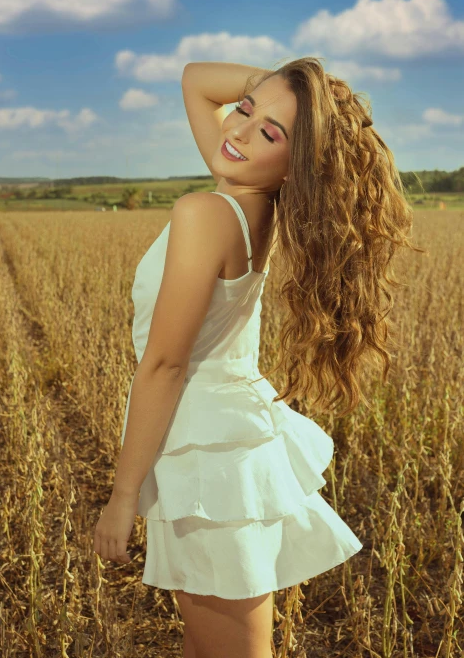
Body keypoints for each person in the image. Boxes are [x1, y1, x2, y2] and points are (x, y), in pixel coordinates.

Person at [94, 58, 421, 658]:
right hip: (219, 443)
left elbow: (165, 366)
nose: (239, 131)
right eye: (245, 109)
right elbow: (196, 79)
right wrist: (303, 95)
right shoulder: (249, 203)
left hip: (207, 461)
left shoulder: (209, 213)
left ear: (297, 165)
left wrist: (122, 496)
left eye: (271, 133)